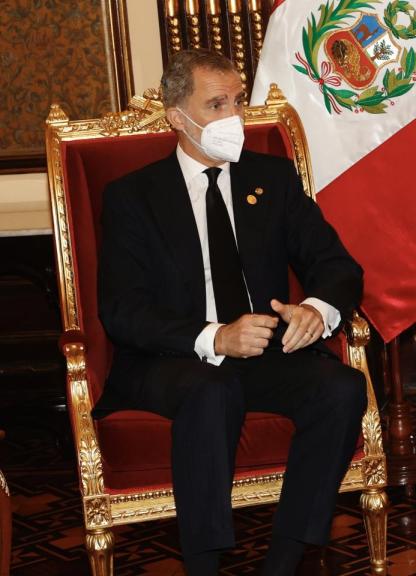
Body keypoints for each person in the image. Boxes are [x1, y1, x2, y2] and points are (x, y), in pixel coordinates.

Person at [96, 49, 367, 575]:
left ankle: (284, 560)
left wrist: (315, 309)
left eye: (238, 101)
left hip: (263, 351)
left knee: (342, 388)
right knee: (211, 388)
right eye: (216, 104)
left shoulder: (272, 178)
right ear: (178, 117)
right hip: (169, 356)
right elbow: (122, 309)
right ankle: (205, 565)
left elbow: (338, 265)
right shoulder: (133, 196)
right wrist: (214, 337)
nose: (234, 117)